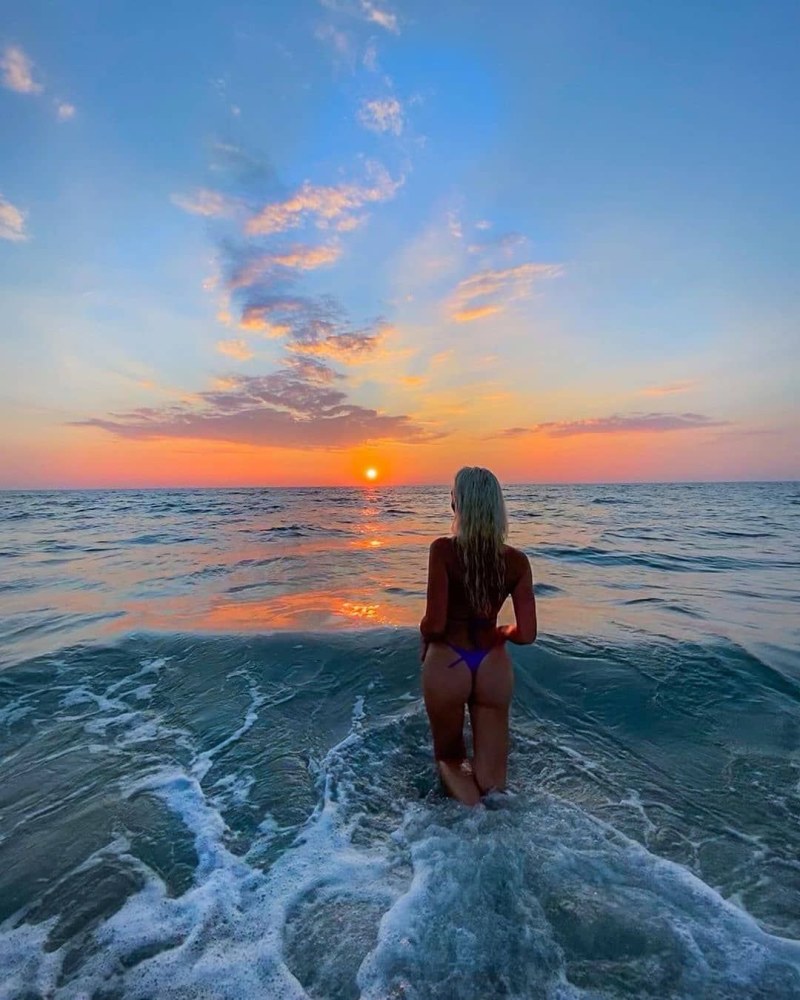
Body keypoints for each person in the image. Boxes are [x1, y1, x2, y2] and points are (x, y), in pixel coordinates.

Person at [420, 466, 537, 805]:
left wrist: (422, 633)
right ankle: (492, 812)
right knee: (492, 778)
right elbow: (527, 634)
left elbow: (436, 623)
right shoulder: (517, 562)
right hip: (492, 663)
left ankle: (470, 817)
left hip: (448, 661)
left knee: (450, 757)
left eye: (453, 497)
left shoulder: (442, 550)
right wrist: (501, 630)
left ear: (461, 506)